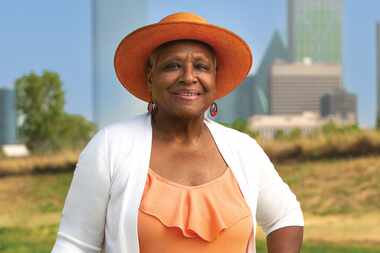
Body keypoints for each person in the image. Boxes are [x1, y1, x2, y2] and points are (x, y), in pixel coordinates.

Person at [51, 12, 304, 253]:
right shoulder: (110, 146)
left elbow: (285, 215)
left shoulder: (243, 149)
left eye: (202, 67)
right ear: (150, 76)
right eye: (173, 66)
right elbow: (75, 244)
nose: (189, 77)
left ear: (215, 78)